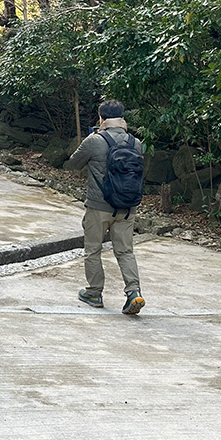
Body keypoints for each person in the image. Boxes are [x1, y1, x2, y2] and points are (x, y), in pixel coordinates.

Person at [64, 99, 146, 314]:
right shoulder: (135, 143)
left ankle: (94, 293)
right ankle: (134, 293)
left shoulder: (95, 140)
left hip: (99, 206)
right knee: (125, 251)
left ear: (101, 118)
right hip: (127, 207)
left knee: (93, 250)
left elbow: (73, 163)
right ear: (122, 118)